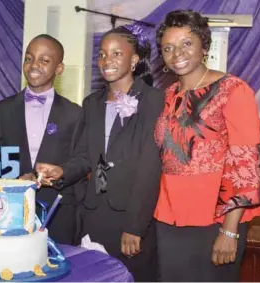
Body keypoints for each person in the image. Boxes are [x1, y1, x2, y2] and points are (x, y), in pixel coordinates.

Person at [36, 25, 164, 281]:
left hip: (131, 216)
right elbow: (85, 157)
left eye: (117, 54)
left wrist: (135, 227)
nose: (107, 60)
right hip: (93, 214)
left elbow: (150, 168)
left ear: (135, 59)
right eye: (103, 54)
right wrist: (61, 171)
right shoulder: (91, 104)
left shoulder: (154, 100)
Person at [153, 10, 260, 281]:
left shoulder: (233, 90)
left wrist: (229, 230)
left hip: (215, 220)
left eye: (186, 43)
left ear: (204, 45)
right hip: (168, 218)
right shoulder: (166, 96)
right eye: (168, 47)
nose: (177, 53)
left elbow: (245, 163)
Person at [0, 34, 84, 245]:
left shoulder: (74, 113)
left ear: (59, 69)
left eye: (44, 60)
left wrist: (62, 172)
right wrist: (13, 183)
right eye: (29, 58)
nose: (34, 65)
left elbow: (83, 159)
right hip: (11, 208)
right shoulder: (2, 110)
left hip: (58, 211)